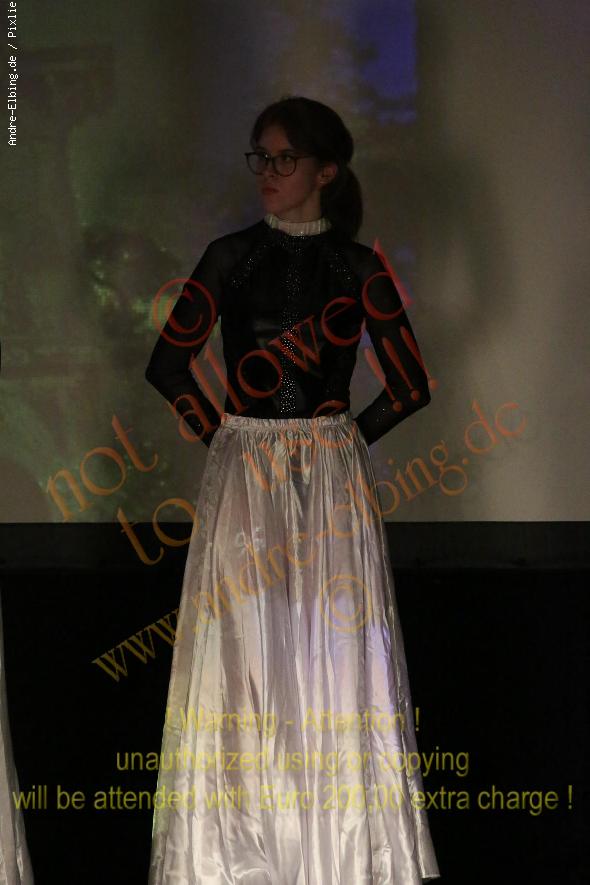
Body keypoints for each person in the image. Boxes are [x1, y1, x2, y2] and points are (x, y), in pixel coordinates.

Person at [145, 96, 441, 884]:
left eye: (283, 158)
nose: (268, 172)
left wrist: (339, 443)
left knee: (334, 654)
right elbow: (166, 364)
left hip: (325, 482)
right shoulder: (229, 256)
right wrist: (230, 442)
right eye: (261, 157)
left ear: (325, 169)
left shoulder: (359, 267)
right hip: (250, 476)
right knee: (244, 655)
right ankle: (241, 859)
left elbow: (412, 385)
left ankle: (336, 859)